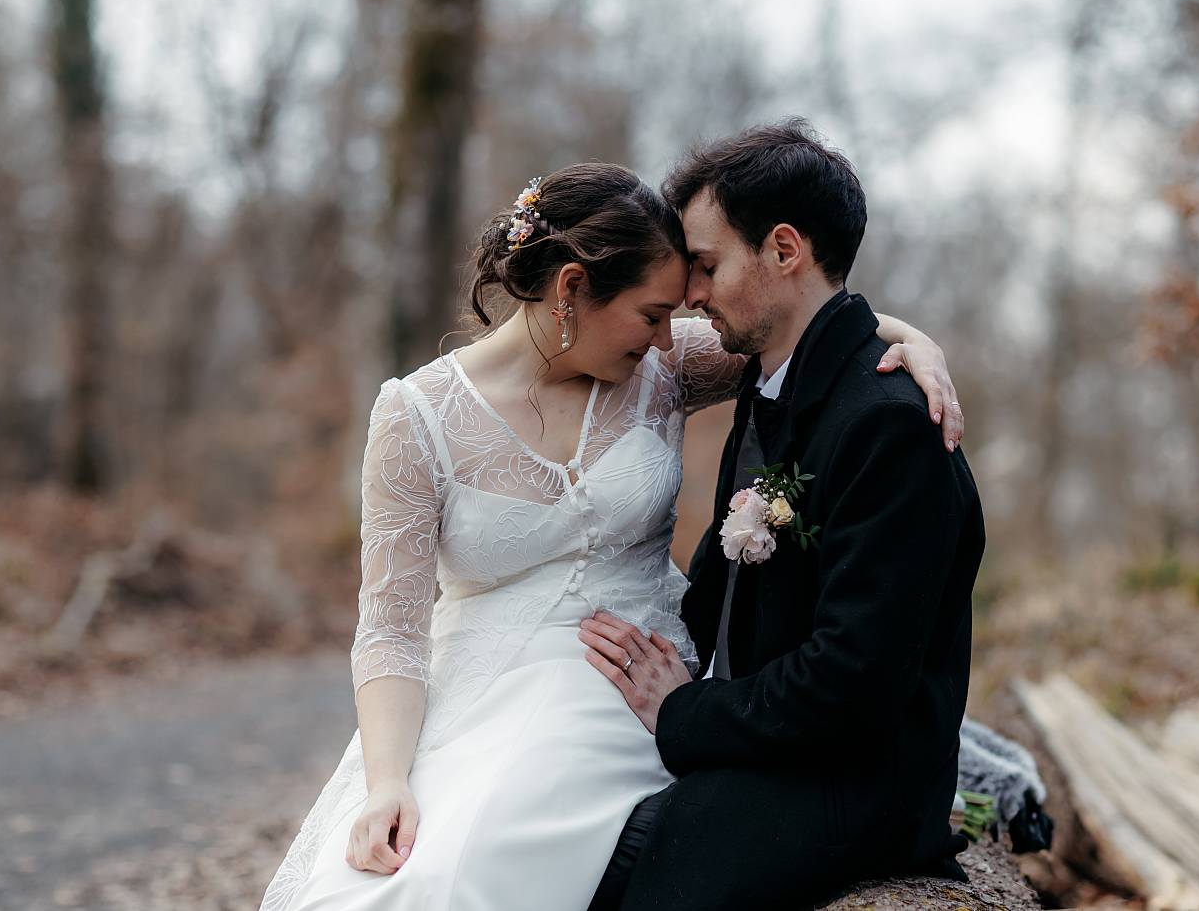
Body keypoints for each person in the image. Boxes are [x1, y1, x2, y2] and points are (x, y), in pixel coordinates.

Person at [257, 160, 963, 911]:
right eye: (652, 313)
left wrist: (917, 345)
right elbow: (391, 632)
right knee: (394, 872)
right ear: (570, 290)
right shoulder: (415, 417)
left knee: (486, 859)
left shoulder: (663, 367)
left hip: (622, 680)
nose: (668, 334)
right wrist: (387, 780)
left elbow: (806, 326)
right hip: (477, 687)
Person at [581, 120, 984, 911]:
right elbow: (721, 590)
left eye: (707, 265)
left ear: (785, 250)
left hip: (854, 786)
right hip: (771, 745)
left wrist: (683, 712)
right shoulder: (775, 383)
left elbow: (854, 682)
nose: (691, 295)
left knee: (631, 859)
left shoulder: (888, 425)